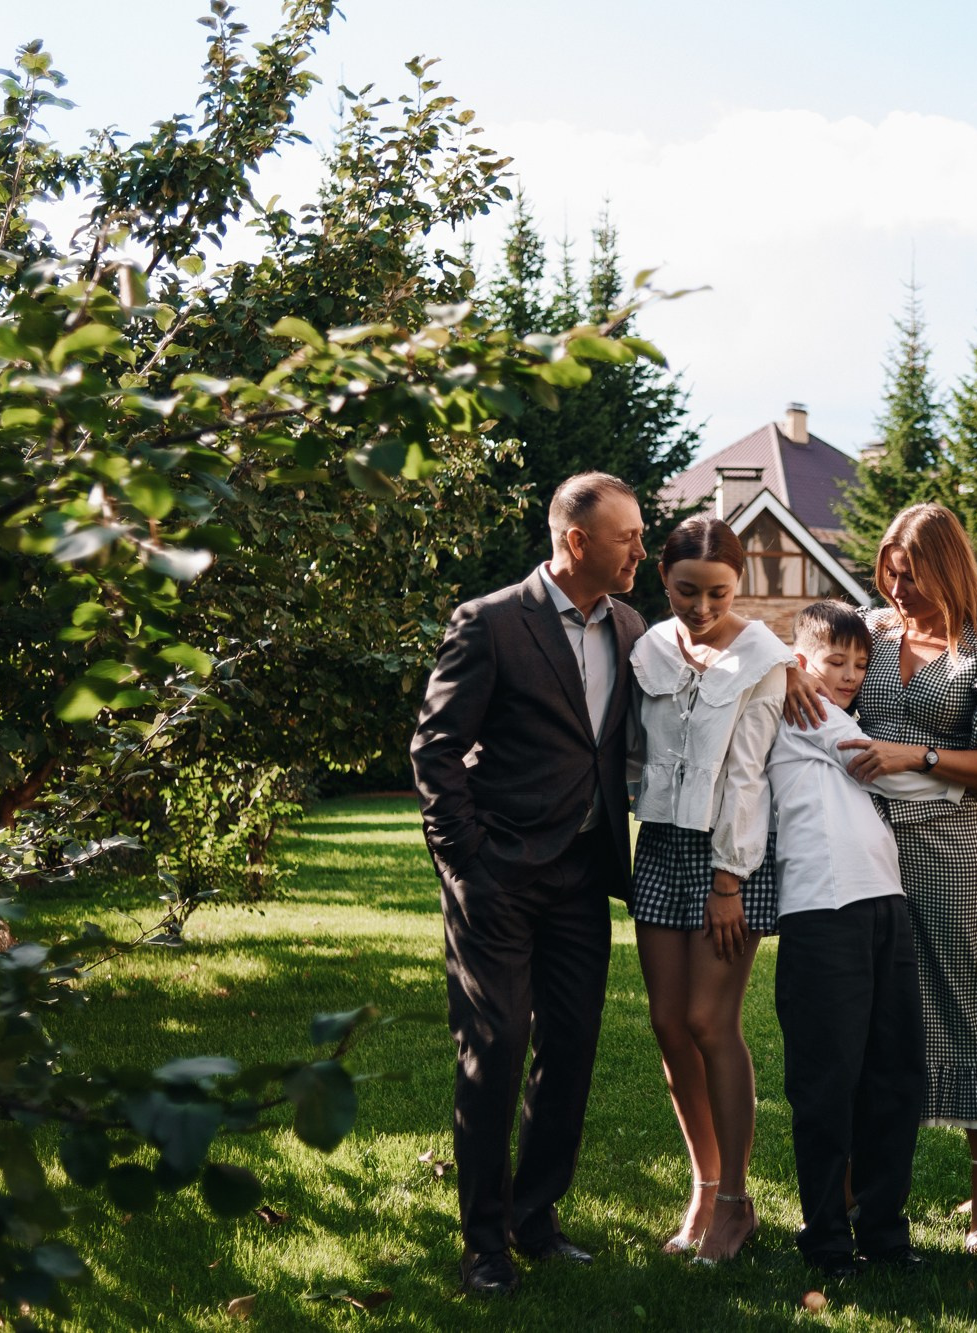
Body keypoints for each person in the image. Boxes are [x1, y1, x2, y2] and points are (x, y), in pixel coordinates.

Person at [410, 472, 648, 1298]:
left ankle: (535, 1218)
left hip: (584, 874)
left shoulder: (629, 624)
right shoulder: (489, 621)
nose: (640, 552)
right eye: (628, 537)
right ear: (577, 541)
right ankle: (483, 1244)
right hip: (498, 875)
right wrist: (465, 860)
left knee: (573, 1048)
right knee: (496, 1047)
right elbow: (435, 748)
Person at [817, 502, 977, 1252]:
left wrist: (918, 755)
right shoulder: (869, 633)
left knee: (958, 997)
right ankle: (853, 1183)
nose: (898, 588)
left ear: (947, 567)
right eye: (890, 573)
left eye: (911, 575)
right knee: (867, 1008)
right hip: (858, 842)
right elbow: (804, 665)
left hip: (944, 847)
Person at [769, 601, 960, 1278]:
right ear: (800, 663)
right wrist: (967, 777)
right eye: (834, 662)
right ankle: (825, 1238)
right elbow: (874, 765)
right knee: (827, 1083)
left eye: (859, 663)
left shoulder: (835, 711)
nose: (849, 675)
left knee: (896, 1077)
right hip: (823, 913)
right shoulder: (799, 710)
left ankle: (884, 1232)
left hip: (884, 905)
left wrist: (877, 620)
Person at [629, 516, 795, 1265]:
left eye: (718, 593)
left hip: (732, 854)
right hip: (660, 843)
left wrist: (729, 878)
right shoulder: (649, 648)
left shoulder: (764, 656)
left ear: (742, 586)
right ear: (663, 579)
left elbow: (748, 771)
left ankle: (736, 1201)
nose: (701, 608)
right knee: (667, 1023)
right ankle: (704, 1184)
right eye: (686, 591)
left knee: (708, 1020)